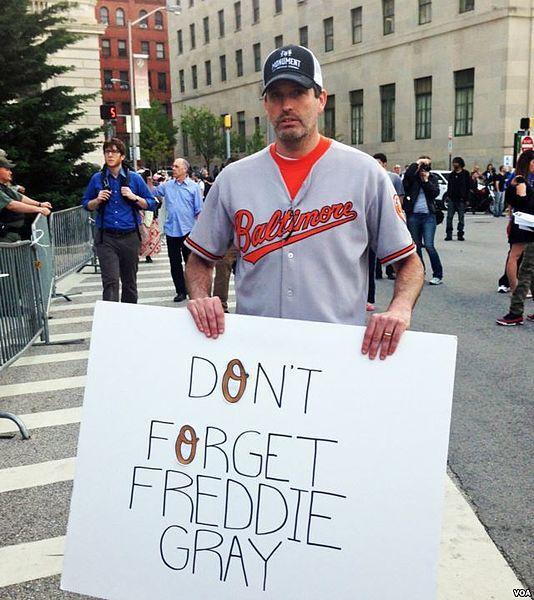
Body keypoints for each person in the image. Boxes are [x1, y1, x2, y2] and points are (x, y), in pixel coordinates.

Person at [184, 44, 423, 361]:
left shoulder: (364, 173)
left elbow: (409, 262)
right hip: (256, 354)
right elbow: (200, 258)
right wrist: (201, 297)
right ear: (266, 105)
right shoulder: (235, 178)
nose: (286, 105)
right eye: (276, 96)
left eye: (297, 93)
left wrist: (400, 308)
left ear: (321, 99)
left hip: (337, 353)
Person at [82, 138, 157, 303]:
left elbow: (151, 203)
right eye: (107, 152)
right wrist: (97, 200)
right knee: (110, 281)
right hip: (106, 237)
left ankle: (128, 321)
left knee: (129, 282)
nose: (109, 155)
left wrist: (134, 197)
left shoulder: (134, 179)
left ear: (122, 156)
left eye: (114, 152)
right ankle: (111, 321)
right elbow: (86, 204)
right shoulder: (97, 179)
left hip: (130, 237)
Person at [153, 157, 203, 302]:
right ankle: (180, 291)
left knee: (190, 263)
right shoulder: (168, 186)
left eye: (176, 166)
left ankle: (192, 289)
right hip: (171, 230)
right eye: (173, 166)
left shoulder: (193, 187)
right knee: (174, 263)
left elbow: (199, 211)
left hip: (188, 230)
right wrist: (146, 180)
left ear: (185, 169)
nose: (173, 168)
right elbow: (153, 191)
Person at [496, 149, 534, 325]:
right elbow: (518, 202)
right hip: (525, 224)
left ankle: (515, 312)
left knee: (526, 269)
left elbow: (522, 202)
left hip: (527, 224)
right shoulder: (520, 180)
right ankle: (515, 308)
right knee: (526, 266)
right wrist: (519, 190)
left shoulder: (521, 180)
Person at [403, 156, 443, 285]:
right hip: (413, 215)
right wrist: (417, 163)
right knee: (416, 246)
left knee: (429, 245)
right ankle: (420, 272)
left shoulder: (432, 178)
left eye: (426, 165)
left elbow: (434, 193)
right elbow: (407, 178)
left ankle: (438, 274)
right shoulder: (412, 178)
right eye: (422, 165)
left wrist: (425, 180)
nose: (423, 168)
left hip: (428, 216)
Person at [0, 155, 52, 242]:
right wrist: (39, 209)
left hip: (10, 233)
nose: (10, 172)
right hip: (4, 236)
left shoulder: (3, 187)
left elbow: (20, 197)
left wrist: (40, 204)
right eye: (7, 169)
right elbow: (11, 205)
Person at [372, 152, 405, 283]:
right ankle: (377, 271)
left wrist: (397, 212)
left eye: (378, 162)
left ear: (384, 164)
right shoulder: (371, 176)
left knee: (391, 244)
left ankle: (391, 270)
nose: (376, 165)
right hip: (375, 215)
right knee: (374, 245)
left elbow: (400, 196)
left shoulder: (394, 178)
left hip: (389, 214)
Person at [137, 168, 161, 264]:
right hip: (142, 215)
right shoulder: (141, 188)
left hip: (151, 216)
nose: (150, 180)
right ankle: (142, 254)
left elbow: (160, 201)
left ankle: (148, 255)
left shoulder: (153, 189)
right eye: (148, 178)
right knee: (143, 236)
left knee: (151, 237)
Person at [445, 156, 471, 241]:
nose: (454, 164)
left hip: (461, 200)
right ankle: (449, 234)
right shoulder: (452, 174)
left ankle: (460, 234)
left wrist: (467, 199)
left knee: (461, 218)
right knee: (449, 217)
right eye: (453, 162)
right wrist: (448, 196)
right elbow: (449, 186)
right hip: (452, 199)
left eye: (455, 162)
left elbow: (468, 187)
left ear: (460, 164)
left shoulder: (465, 174)